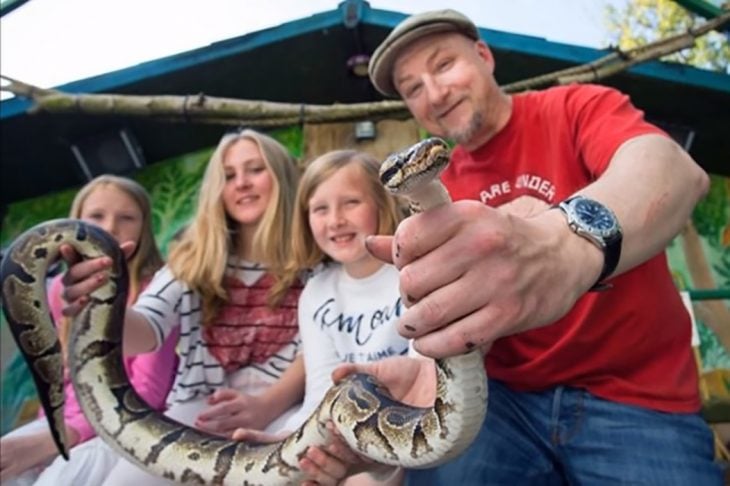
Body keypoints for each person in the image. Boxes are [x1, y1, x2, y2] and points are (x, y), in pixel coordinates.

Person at [318, 8, 722, 485]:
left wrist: (562, 245)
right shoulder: (430, 186)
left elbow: (672, 171)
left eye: (444, 65)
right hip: (501, 401)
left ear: (485, 56)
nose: (435, 93)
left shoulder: (576, 106)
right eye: (413, 88)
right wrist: (427, 376)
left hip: (637, 398)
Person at [56, 130, 316, 485]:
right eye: (228, 175)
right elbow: (145, 331)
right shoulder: (192, 260)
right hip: (197, 411)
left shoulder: (315, 260)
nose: (241, 183)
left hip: (286, 409)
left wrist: (268, 404)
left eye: (255, 169)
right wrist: (104, 298)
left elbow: (320, 342)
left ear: (282, 176)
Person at [236, 150, 409, 486]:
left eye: (351, 203)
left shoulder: (411, 274)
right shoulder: (317, 291)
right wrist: (287, 441)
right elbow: (319, 392)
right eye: (320, 209)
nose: (335, 220)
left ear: (382, 204)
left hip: (407, 428)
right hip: (347, 432)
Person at [0, 175, 178, 486]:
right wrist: (44, 437)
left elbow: (148, 394)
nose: (109, 227)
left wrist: (57, 440)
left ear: (144, 228)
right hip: (67, 423)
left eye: (127, 218)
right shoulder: (57, 290)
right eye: (96, 216)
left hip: (129, 425)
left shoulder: (159, 290)